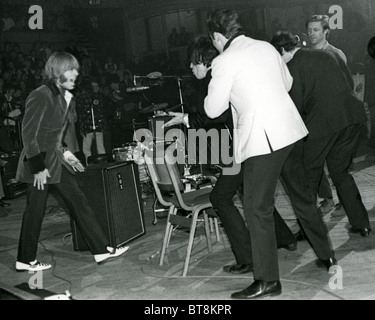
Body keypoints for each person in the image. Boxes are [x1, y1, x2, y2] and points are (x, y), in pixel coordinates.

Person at [204, 9, 335, 299]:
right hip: (289, 131)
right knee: (302, 198)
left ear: (217, 36)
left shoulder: (224, 60)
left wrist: (213, 79)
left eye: (213, 41)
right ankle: (327, 255)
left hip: (264, 140)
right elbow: (286, 84)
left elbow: (212, 110)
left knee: (256, 208)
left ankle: (267, 281)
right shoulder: (264, 46)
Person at [164, 36, 298, 275]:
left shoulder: (221, 72)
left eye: (194, 64)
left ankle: (248, 258)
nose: (191, 68)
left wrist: (184, 119)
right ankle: (284, 237)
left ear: (204, 61)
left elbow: (212, 115)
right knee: (250, 193)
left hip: (250, 145)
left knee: (220, 197)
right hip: (254, 143)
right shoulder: (230, 69)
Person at [15, 52, 129, 272]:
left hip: (55, 160)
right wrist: (38, 168)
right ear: (58, 71)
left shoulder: (63, 96)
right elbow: (29, 135)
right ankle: (25, 259)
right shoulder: (41, 95)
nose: (76, 73)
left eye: (76, 69)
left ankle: (101, 248)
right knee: (35, 211)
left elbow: (54, 136)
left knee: (78, 201)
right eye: (71, 69)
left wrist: (67, 155)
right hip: (38, 162)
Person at [271, 31, 371, 238]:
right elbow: (349, 83)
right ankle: (362, 224)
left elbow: (295, 105)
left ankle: (310, 232)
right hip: (352, 118)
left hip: (323, 125)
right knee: (341, 172)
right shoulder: (329, 54)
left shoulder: (293, 66)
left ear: (282, 50)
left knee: (306, 177)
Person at [305, 14, 347, 215]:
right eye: (310, 30)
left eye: (316, 30)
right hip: (313, 117)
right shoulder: (304, 55)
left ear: (326, 31)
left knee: (336, 161)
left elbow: (344, 87)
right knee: (314, 160)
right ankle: (327, 198)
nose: (312, 33)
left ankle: (345, 199)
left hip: (334, 116)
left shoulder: (336, 53)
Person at [76, 78, 107, 165]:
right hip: (97, 125)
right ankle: (102, 164)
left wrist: (82, 128)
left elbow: (81, 115)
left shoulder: (81, 98)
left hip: (88, 126)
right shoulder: (99, 97)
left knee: (87, 149)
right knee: (99, 147)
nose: (96, 88)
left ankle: (90, 166)